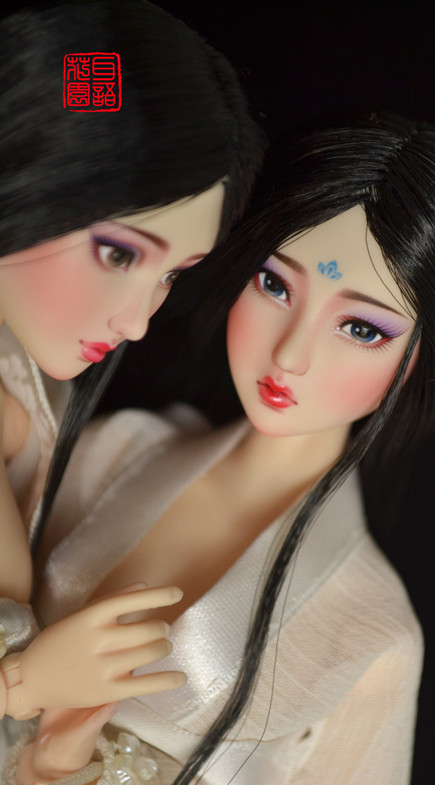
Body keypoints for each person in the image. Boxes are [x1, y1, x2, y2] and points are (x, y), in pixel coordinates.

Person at [11, 112, 435, 785]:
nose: (291, 353)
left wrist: (59, 766)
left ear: (421, 354)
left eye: (361, 328)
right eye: (275, 286)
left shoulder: (370, 635)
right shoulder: (111, 451)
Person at [0, 0, 262, 727]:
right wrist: (18, 686)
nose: (137, 321)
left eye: (171, 275)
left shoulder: (24, 384)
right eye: (119, 254)